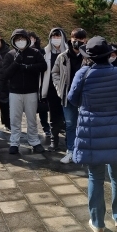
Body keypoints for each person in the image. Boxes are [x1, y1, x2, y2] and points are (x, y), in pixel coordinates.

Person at [67, 36, 117, 232]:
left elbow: (72, 99)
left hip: (92, 130)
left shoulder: (83, 73)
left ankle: (98, 223)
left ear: (88, 56)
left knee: (95, 176)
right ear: (109, 55)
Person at [2, 29, 47, 154]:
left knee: (32, 118)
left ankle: (34, 141)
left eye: (22, 38)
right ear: (13, 41)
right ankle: (14, 142)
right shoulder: (10, 55)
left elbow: (43, 66)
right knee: (15, 119)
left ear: (27, 39)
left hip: (31, 91)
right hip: (15, 92)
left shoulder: (35, 52)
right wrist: (16, 63)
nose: (20, 41)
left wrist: (28, 67)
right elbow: (5, 74)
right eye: (17, 39)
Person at [52, 28, 87, 164]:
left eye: (80, 39)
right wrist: (59, 89)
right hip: (67, 96)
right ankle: (71, 150)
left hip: (84, 97)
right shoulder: (63, 57)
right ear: (71, 39)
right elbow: (55, 73)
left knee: (84, 124)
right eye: (75, 39)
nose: (77, 42)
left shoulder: (88, 57)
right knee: (70, 124)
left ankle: (83, 150)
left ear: (85, 40)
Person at [40, 28, 67, 150]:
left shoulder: (68, 52)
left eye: (58, 36)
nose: (56, 39)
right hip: (51, 89)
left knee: (67, 116)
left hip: (65, 89)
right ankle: (54, 141)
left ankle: (69, 142)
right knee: (54, 116)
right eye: (53, 36)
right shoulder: (45, 52)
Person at [29, 31, 51, 136]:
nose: (30, 40)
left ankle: (45, 127)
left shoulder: (42, 52)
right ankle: (32, 129)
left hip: (41, 81)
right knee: (30, 108)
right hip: (29, 82)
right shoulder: (24, 53)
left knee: (42, 106)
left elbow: (44, 66)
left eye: (32, 38)